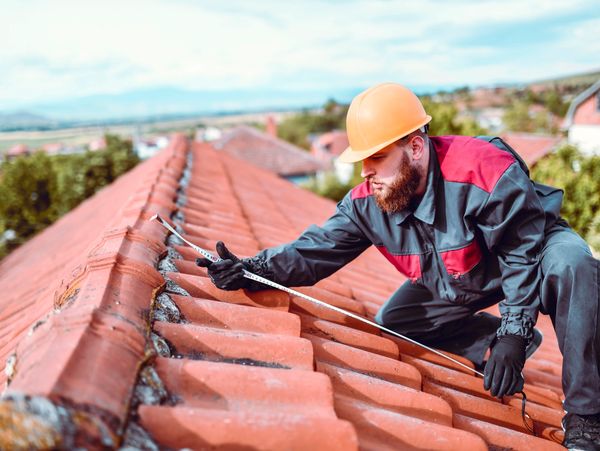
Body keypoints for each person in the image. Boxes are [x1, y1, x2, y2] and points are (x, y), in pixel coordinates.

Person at [197, 82, 600, 450]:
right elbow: (313, 251)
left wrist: (515, 330)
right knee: (396, 322)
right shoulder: (368, 201)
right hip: (460, 277)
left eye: (377, 157)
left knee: (574, 263)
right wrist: (252, 269)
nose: (365, 171)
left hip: (528, 253)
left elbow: (520, 253)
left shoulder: (482, 168)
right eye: (363, 160)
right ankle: (492, 342)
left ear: (416, 148)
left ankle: (586, 415)